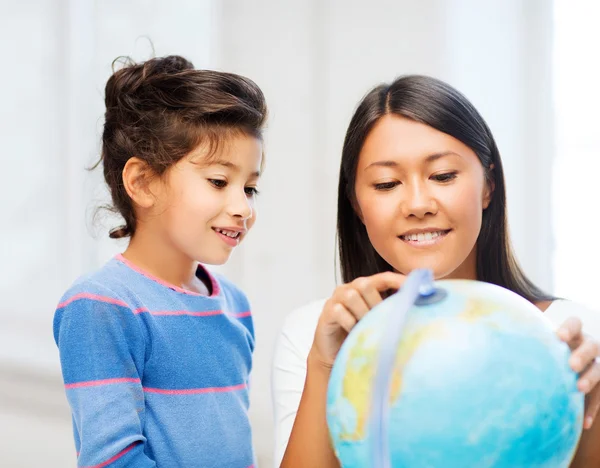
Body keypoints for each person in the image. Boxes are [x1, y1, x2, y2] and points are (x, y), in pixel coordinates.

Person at [273, 75, 600, 467]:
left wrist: (588, 410)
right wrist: (324, 365)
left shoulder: (570, 334)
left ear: (488, 185)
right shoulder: (315, 334)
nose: (417, 203)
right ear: (357, 205)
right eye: (386, 183)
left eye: (443, 176)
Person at [53, 55, 267, 467]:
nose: (243, 207)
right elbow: (112, 460)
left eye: (250, 188)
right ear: (143, 182)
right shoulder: (101, 305)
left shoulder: (235, 305)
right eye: (219, 182)